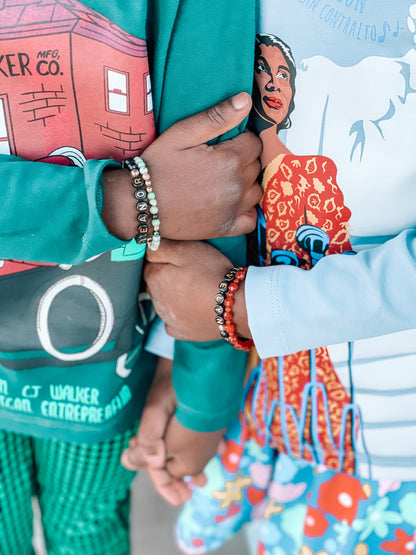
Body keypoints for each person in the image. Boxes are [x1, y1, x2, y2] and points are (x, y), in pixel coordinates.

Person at [124, 2, 416, 554]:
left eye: (281, 73)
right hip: (270, 411)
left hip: (398, 443)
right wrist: (182, 359)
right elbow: (217, 211)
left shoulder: (316, 177)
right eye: (264, 70)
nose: (269, 84)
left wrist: (237, 309)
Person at [0, 0, 262, 552]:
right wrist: (120, 201)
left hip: (100, 372)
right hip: (100, 354)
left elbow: (216, 179)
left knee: (88, 528)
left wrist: (201, 390)